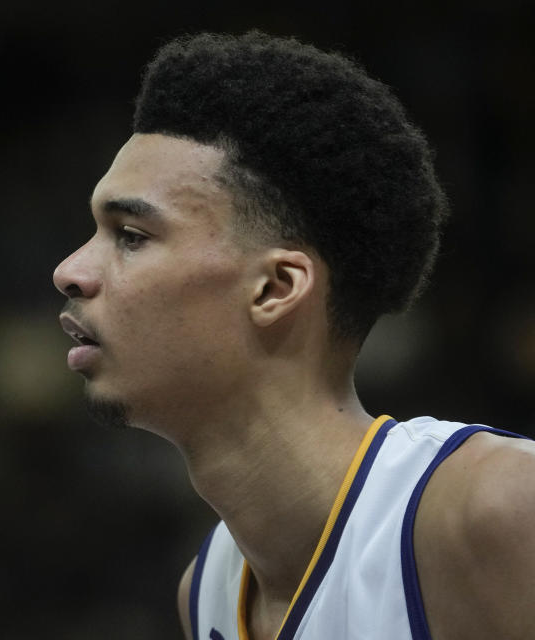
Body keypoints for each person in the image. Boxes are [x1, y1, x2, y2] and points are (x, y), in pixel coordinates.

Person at [52, 31, 535, 640]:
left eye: (131, 235)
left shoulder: (502, 507)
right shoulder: (205, 592)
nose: (70, 270)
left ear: (276, 287)